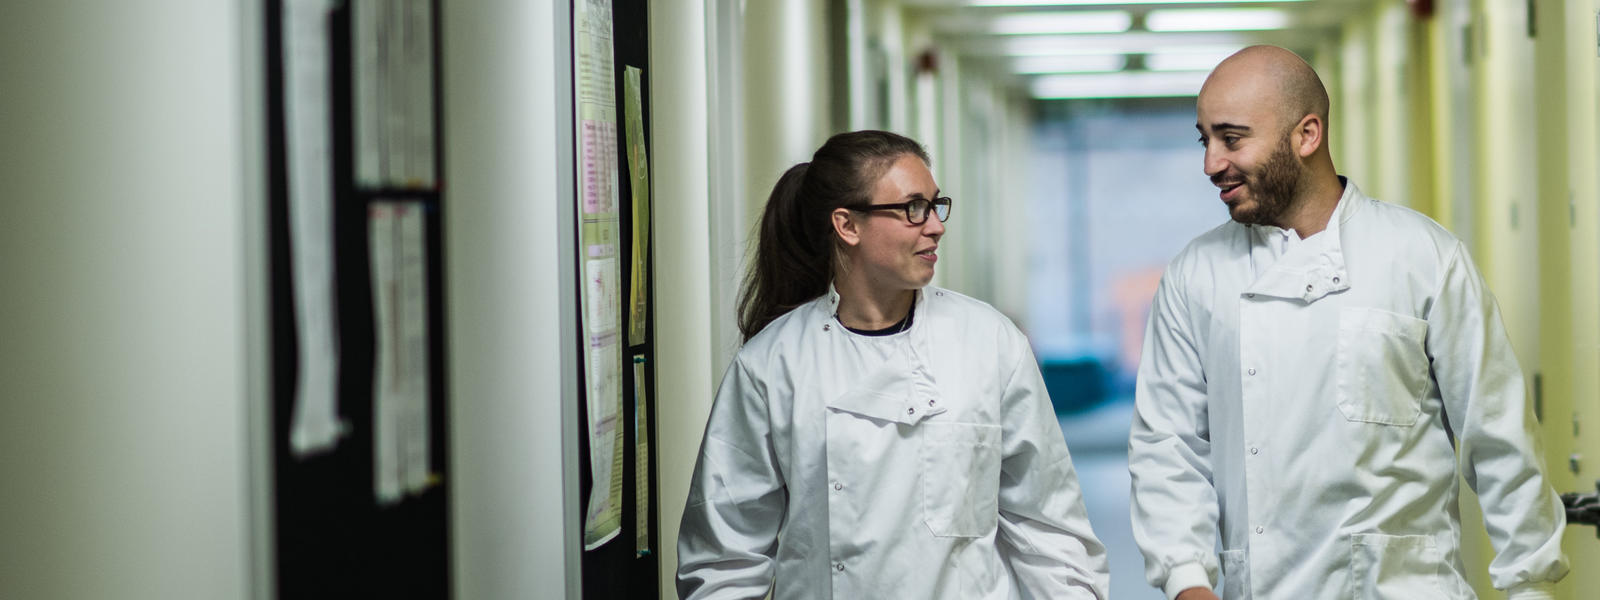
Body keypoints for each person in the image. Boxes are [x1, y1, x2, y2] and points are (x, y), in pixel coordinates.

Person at [1127, 45, 1569, 600]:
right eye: (1205, 139)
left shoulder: (1422, 256)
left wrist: (1530, 584)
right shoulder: (1196, 276)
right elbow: (1168, 444)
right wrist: (1186, 580)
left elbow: (1498, 434)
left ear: (1307, 135)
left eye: (1232, 138)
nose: (1211, 163)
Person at [677, 130, 1109, 599]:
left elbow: (1049, 528)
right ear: (848, 226)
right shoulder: (772, 364)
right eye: (912, 208)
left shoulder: (989, 343)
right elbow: (725, 559)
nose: (936, 225)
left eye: (935, 205)